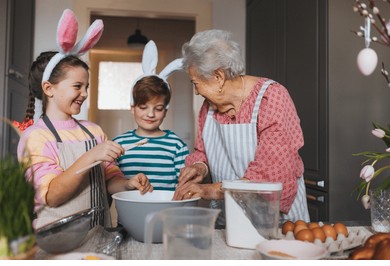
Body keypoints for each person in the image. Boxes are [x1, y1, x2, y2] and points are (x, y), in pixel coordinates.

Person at [16, 9, 151, 230]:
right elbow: (52, 196)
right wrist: (90, 156)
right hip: (57, 243)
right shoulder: (36, 137)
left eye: (86, 86)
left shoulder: (94, 131)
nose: (85, 93)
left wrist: (127, 184)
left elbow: (109, 180)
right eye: (77, 86)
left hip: (99, 235)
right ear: (49, 89)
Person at [173, 29, 310, 224]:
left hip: (274, 222)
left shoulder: (271, 99)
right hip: (230, 219)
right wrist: (199, 167)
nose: (196, 92)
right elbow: (203, 151)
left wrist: (207, 190)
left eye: (196, 83)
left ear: (218, 77)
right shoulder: (208, 109)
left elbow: (271, 175)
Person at [113, 40, 189, 191]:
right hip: (131, 213)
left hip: (166, 213)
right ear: (132, 108)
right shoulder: (119, 144)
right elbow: (111, 184)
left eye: (158, 108)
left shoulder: (176, 145)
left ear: (166, 111)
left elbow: (184, 185)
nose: (150, 114)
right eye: (143, 107)